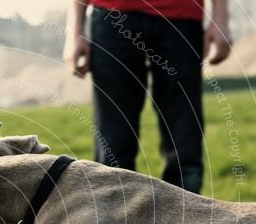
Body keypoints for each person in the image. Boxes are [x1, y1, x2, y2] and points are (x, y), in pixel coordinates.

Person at [64, 0, 231, 193]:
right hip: (111, 15)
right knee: (113, 150)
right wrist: (74, 31)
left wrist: (221, 20)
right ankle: (116, 220)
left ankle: (184, 220)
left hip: (181, 19)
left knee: (184, 147)